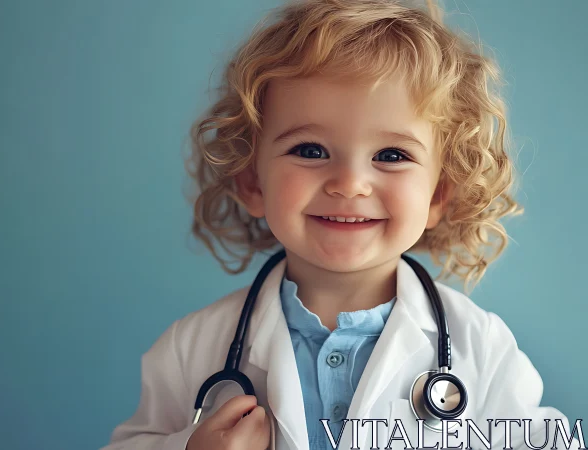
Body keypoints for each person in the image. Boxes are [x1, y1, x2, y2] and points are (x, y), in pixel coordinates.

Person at [102, 1, 575, 449]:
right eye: (310, 150)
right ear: (252, 182)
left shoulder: (483, 348)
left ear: (438, 194)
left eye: (391, 155)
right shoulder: (193, 348)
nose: (349, 184)